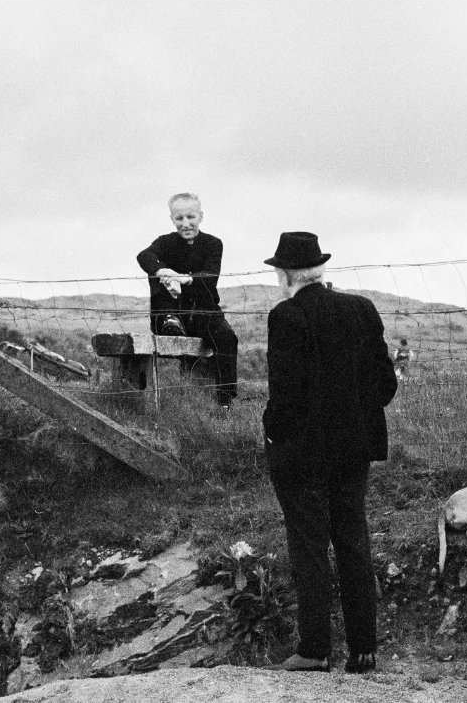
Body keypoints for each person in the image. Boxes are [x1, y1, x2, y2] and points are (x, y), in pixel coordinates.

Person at [262, 231, 399, 674]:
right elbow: (386, 385)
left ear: (286, 274)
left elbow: (285, 396)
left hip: (303, 452)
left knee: (309, 546)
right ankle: (363, 650)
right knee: (353, 540)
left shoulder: (287, 316)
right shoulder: (361, 309)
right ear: (319, 268)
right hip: (354, 448)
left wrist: (272, 434)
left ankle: (315, 648)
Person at [136, 192, 239, 407]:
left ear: (200, 216)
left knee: (227, 338)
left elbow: (210, 278)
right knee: (156, 273)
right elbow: (144, 256)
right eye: (179, 218)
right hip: (171, 311)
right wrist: (164, 271)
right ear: (172, 219)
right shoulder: (165, 242)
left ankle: (225, 400)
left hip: (204, 311)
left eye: (190, 217)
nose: (185, 224)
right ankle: (169, 321)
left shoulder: (213, 244)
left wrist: (182, 279)